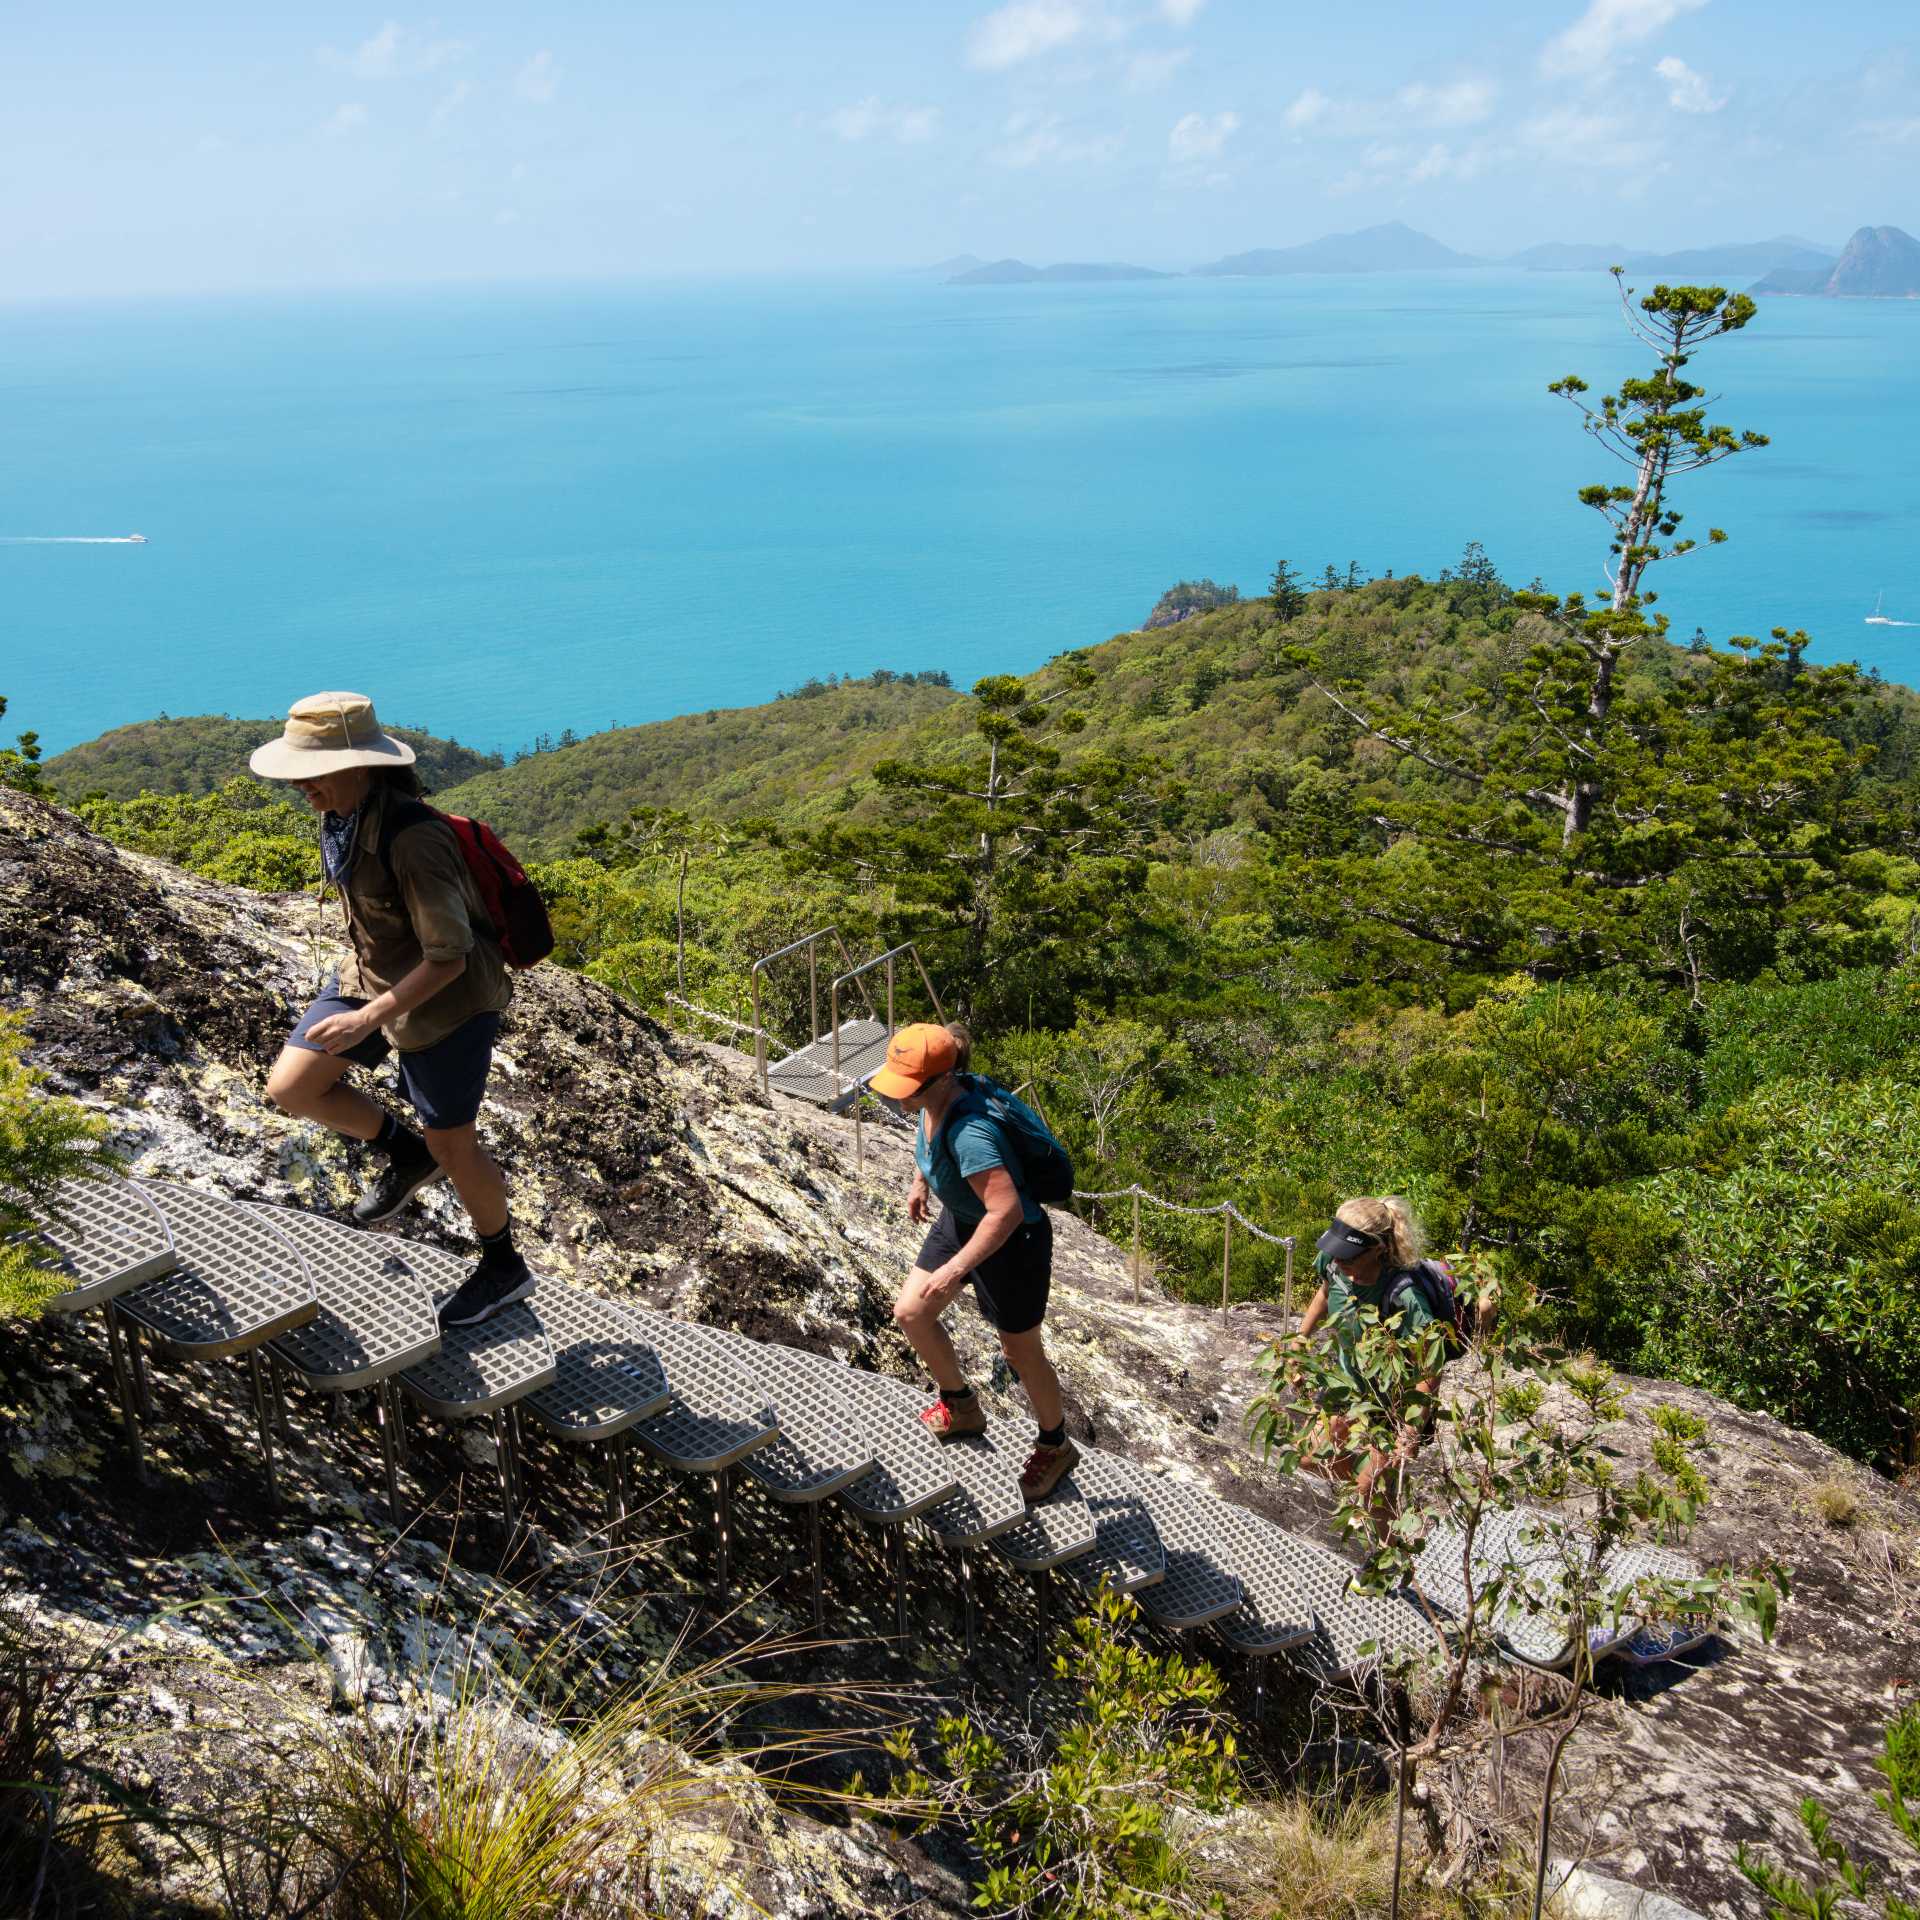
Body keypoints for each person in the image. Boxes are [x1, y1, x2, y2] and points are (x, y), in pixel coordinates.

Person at [250, 692, 530, 1328]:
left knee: (454, 1143)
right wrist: (364, 1004)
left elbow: (451, 957)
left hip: (447, 1003)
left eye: (312, 770)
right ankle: (408, 1155)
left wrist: (365, 1019)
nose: (301, 785)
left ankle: (503, 1265)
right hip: (373, 978)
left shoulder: (414, 841)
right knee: (293, 1085)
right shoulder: (346, 817)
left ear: (362, 766)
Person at [872, 1022, 1078, 1503]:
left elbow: (1004, 1212)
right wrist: (923, 1180)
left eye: (909, 1085)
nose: (899, 1094)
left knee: (1020, 1352)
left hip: (1014, 1242)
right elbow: (929, 1140)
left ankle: (1056, 1443)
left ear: (941, 1079)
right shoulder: (934, 1100)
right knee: (912, 1312)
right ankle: (962, 1406)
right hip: (963, 1219)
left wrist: (956, 1267)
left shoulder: (971, 1133)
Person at [1291, 1195, 1443, 1511]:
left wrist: (1410, 1432)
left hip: (1392, 1406)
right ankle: (1370, 1491)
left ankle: (1388, 1544)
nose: (1339, 1260)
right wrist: (1299, 1341)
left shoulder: (1404, 1295)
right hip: (1348, 1389)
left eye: (1349, 1254)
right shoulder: (1334, 1262)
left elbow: (1431, 1367)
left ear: (1378, 1248)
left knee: (1371, 1489)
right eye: (1336, 1250)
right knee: (1307, 1458)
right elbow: (1324, 1292)